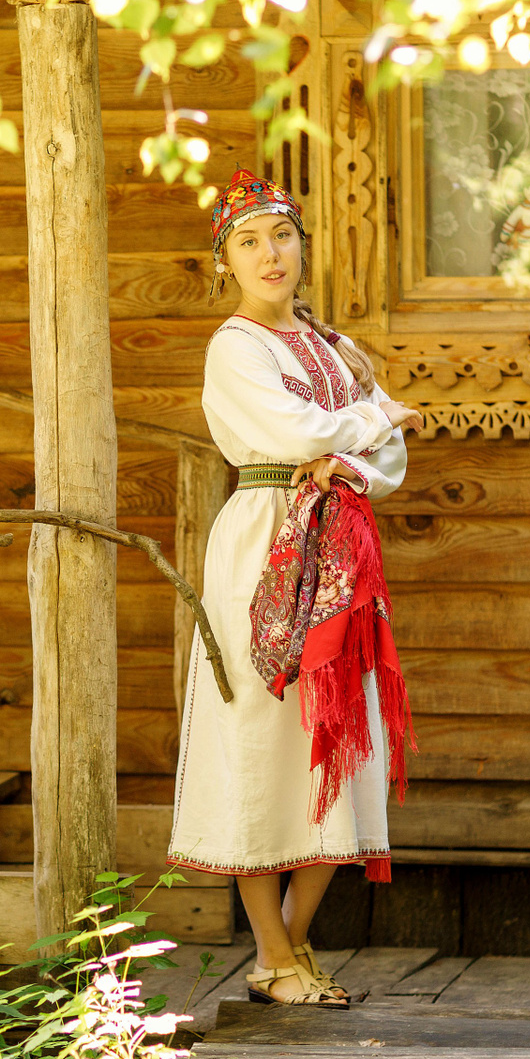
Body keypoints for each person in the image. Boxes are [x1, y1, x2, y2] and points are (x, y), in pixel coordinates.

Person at [168, 170, 423, 1008]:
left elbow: (389, 458)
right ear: (225, 262)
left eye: (281, 236)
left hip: (340, 544)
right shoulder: (236, 347)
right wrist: (371, 422)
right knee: (259, 731)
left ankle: (292, 945)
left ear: (301, 246)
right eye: (248, 242)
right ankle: (275, 955)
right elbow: (296, 430)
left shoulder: (334, 345)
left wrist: (350, 449)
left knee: (336, 727)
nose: (269, 254)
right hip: (262, 545)